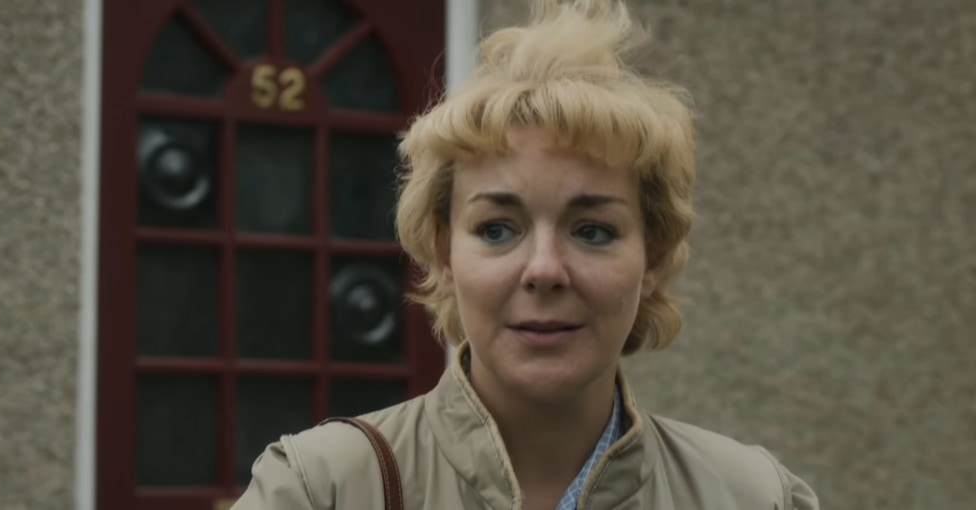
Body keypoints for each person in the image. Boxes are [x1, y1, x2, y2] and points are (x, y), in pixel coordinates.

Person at [233, 0, 820, 508]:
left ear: (654, 259)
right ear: (442, 253)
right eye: (496, 229)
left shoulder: (751, 496)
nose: (544, 269)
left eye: (592, 231)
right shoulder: (322, 490)